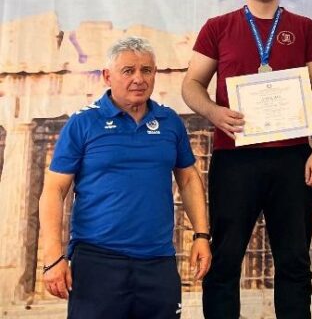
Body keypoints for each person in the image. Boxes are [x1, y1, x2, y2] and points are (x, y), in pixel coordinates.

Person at [182, 0, 312, 319]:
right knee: (224, 258)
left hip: (292, 158)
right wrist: (214, 111)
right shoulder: (217, 27)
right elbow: (191, 85)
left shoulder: (305, 27)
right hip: (235, 158)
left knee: (294, 260)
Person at [39, 36, 211, 319]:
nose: (139, 79)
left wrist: (202, 235)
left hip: (158, 262)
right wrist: (53, 257)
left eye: (147, 70)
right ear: (108, 76)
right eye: (128, 71)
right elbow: (54, 190)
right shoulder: (82, 123)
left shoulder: (170, 121)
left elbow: (189, 179)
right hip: (97, 261)